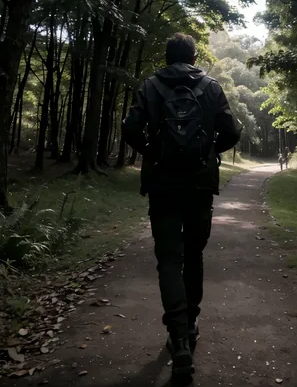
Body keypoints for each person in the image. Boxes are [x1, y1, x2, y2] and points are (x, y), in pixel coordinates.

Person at [122, 33, 242, 378]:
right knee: (194, 255)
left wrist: (154, 152)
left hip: (162, 184)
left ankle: (178, 337)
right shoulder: (212, 87)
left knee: (169, 259)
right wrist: (207, 153)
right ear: (192, 57)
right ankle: (190, 327)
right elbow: (232, 132)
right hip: (200, 184)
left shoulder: (150, 86)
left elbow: (130, 128)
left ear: (166, 55)